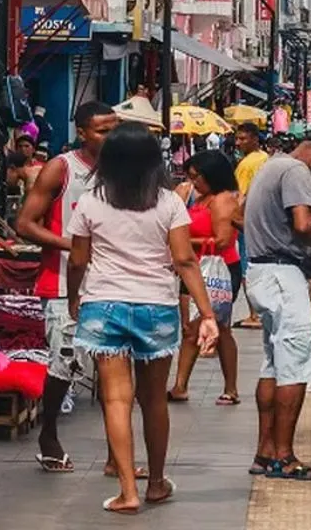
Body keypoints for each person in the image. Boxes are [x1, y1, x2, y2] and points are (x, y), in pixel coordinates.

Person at [65, 122, 218, 514]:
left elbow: (78, 260)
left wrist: (73, 298)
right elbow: (184, 259)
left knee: (116, 399)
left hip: (103, 304)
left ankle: (127, 490)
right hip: (157, 307)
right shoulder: (169, 202)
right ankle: (155, 483)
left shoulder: (92, 201)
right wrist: (206, 313)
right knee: (154, 400)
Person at [17, 100, 120, 475]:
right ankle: (48, 436)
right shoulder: (61, 168)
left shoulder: (122, 170)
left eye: (114, 129)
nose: (110, 137)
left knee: (115, 370)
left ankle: (117, 454)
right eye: (101, 131)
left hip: (111, 283)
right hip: (61, 283)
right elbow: (25, 224)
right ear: (82, 133)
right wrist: (73, 245)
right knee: (65, 363)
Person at [243, 129, 311, 481]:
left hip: (260, 271)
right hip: (284, 277)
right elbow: (303, 223)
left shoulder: (269, 166)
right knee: (294, 366)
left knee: (272, 364)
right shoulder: (297, 170)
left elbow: (242, 216)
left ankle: (264, 452)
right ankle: (284, 457)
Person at [168, 150, 243, 405]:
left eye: (197, 176)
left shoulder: (222, 200)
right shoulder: (199, 198)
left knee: (219, 327)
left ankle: (230, 387)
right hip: (193, 269)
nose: (193, 182)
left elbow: (222, 240)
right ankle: (180, 385)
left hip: (219, 270)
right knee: (190, 328)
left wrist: (183, 240)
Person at [234, 123, 268, 329]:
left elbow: (241, 196)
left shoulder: (247, 165)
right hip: (263, 221)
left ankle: (254, 313)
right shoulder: (265, 159)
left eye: (243, 139)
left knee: (247, 267)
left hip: (247, 222)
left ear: (255, 139)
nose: (238, 143)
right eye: (237, 139)